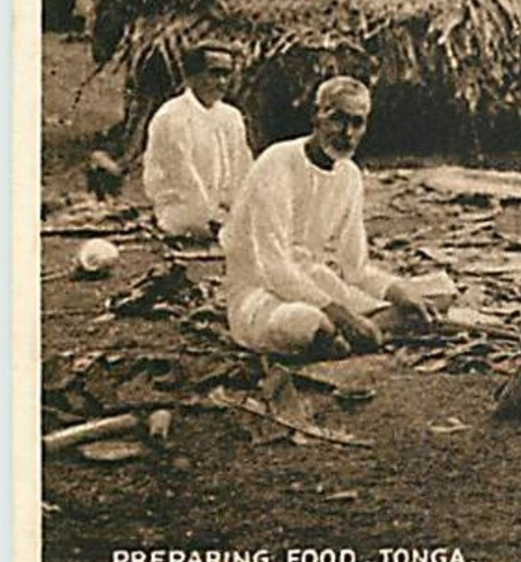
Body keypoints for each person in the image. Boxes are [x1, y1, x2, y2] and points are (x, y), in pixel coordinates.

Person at [221, 77, 441, 357]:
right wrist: (342, 316)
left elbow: (356, 268)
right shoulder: (277, 162)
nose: (347, 133)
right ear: (316, 116)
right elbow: (272, 266)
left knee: (425, 300)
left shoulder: (349, 175)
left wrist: (398, 291)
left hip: (314, 283)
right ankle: (341, 332)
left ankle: (353, 331)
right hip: (258, 291)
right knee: (310, 325)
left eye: (357, 122)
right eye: (337, 119)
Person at [141, 42, 252, 238]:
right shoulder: (172, 117)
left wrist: (237, 209)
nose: (222, 82)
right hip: (182, 211)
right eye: (214, 74)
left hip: (223, 213)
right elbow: (184, 178)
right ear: (191, 77)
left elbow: (242, 169)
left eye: (226, 74)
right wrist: (211, 215)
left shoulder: (231, 116)